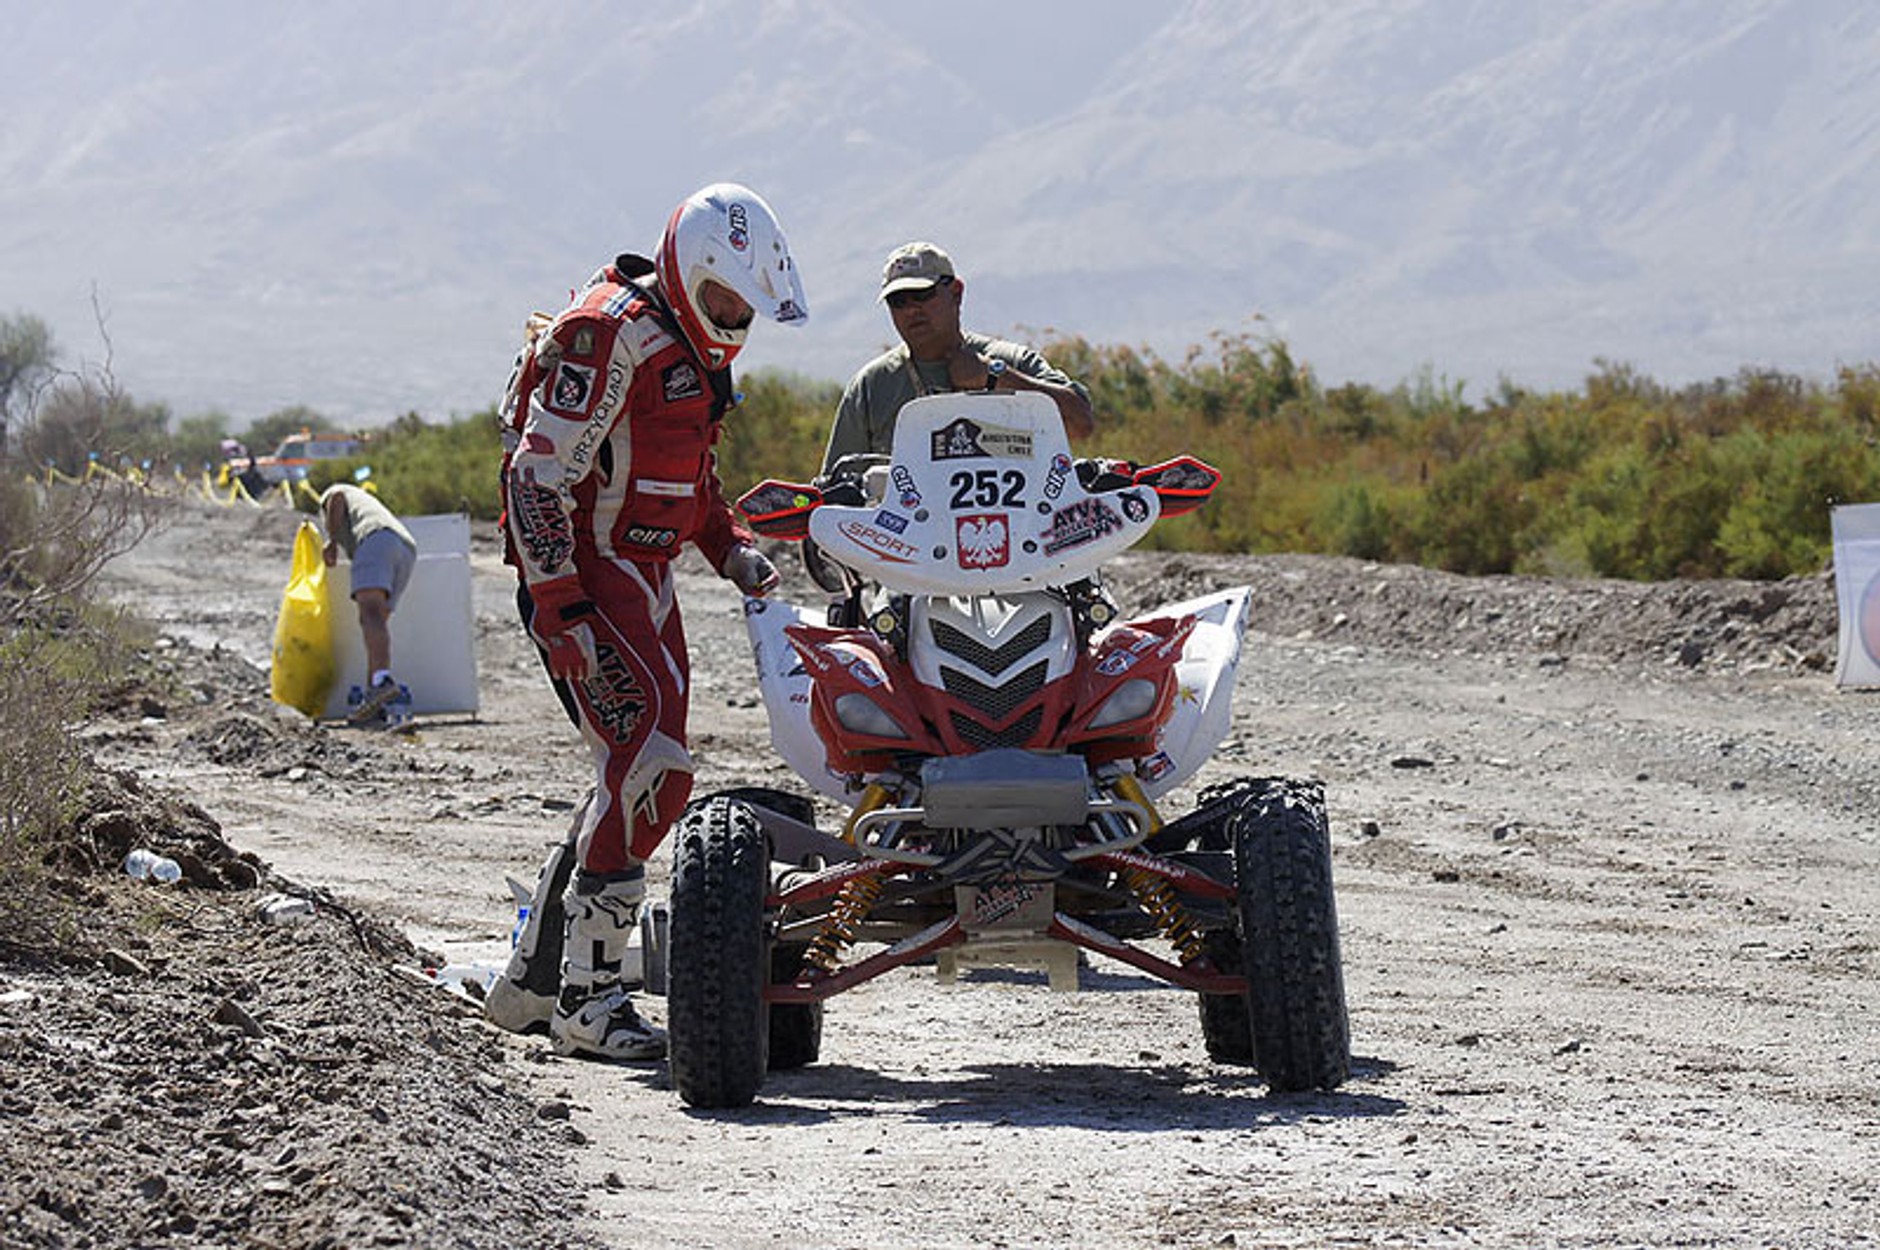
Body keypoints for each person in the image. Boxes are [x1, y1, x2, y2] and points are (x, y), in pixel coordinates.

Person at [484, 183, 807, 1061]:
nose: (736, 317)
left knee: (629, 778)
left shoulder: (692, 353)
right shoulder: (607, 332)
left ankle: (534, 983)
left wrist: (731, 547)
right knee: (650, 774)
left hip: (647, 581)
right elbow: (533, 477)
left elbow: (684, 478)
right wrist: (563, 607)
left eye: (746, 306)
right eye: (726, 298)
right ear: (688, 271)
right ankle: (591, 1004)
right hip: (588, 580)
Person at [819, 240, 1094, 477]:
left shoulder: (1008, 360)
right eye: (898, 301)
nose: (912, 309)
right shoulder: (872, 386)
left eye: (922, 294)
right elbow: (838, 489)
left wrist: (996, 377)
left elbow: (1081, 423)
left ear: (956, 293)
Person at [318, 482, 418, 724]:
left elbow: (337, 497)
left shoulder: (337, 493)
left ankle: (381, 680)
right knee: (376, 620)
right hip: (405, 549)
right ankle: (375, 692)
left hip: (374, 541)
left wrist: (331, 541)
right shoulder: (366, 503)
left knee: (370, 614)